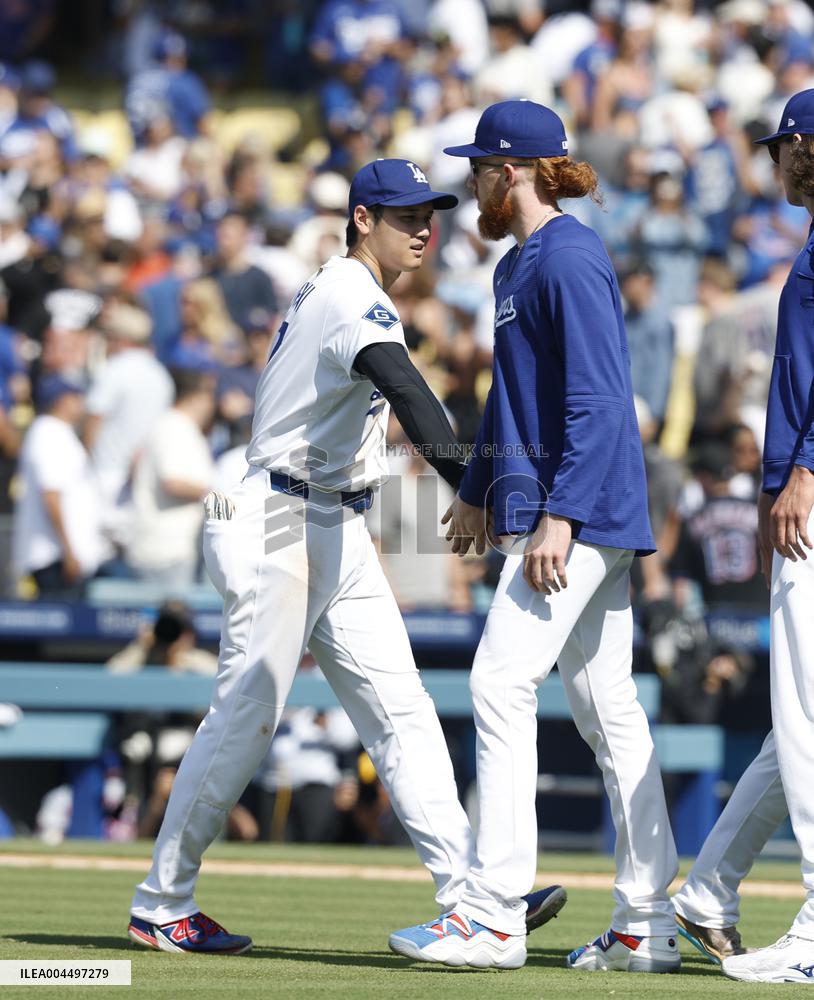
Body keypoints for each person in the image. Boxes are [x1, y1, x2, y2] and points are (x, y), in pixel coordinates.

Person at [126, 157, 565, 955]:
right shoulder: (348, 291)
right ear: (362, 218)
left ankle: (475, 895)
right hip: (277, 514)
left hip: (335, 519)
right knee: (248, 714)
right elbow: (405, 389)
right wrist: (475, 486)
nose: (423, 226)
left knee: (401, 708)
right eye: (404, 215)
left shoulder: (351, 290)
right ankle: (162, 900)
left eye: (428, 212)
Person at [389, 100, 680, 973]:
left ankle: (492, 913)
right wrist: (479, 489)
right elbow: (510, 398)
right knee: (606, 708)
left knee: (499, 679)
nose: (469, 182)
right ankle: (646, 923)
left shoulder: (571, 255)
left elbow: (598, 398)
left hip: (580, 512)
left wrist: (559, 514)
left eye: (478, 167)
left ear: (508, 172)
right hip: (572, 508)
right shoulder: (517, 266)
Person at [673, 89, 814, 985]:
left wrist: (804, 472)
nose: (774, 164)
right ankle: (709, 890)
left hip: (811, 490)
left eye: (784, 147)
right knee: (795, 721)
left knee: (805, 719)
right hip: (800, 490)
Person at [12, 375, 105, 597]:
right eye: (76, 397)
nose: (81, 403)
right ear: (62, 401)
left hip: (64, 556)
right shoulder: (49, 433)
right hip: (55, 558)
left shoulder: (59, 433)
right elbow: (51, 496)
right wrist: (69, 551)